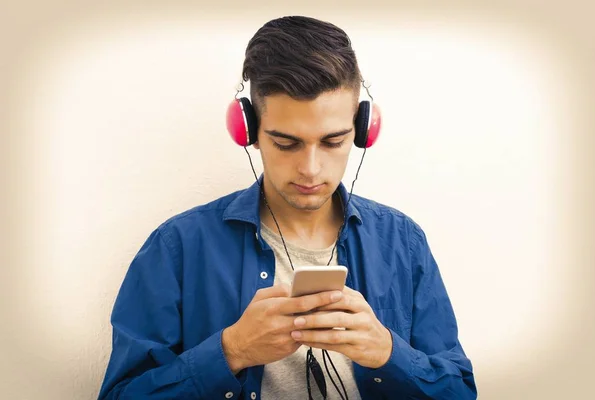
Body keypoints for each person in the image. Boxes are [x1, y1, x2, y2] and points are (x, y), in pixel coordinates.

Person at [97, 15, 477, 400]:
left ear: (362, 132)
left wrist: (388, 354)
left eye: (333, 142)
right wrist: (232, 351)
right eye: (286, 143)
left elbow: (460, 391)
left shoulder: (402, 241)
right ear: (249, 133)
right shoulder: (176, 247)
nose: (311, 169)